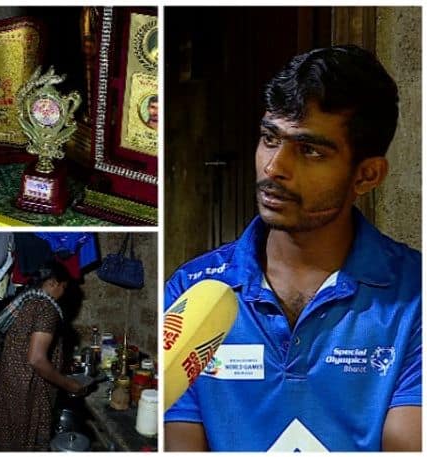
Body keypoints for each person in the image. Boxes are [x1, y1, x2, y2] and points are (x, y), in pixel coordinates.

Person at [164, 45, 420, 452]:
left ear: (367, 175)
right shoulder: (191, 289)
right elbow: (181, 442)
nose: (274, 167)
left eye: (310, 150)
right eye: (269, 138)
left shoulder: (415, 297)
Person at [0, 261, 84, 450]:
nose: (63, 293)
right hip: (28, 388)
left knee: (12, 438)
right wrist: (69, 385)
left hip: (10, 382)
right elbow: (37, 359)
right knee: (29, 441)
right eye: (63, 287)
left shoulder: (25, 301)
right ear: (52, 283)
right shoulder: (46, 308)